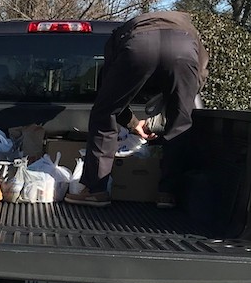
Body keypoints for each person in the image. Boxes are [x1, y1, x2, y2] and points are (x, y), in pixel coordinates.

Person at [65, 11, 209, 208]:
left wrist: (130, 122)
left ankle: (95, 190)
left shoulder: (126, 30)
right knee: (181, 125)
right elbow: (199, 76)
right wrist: (176, 104)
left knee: (104, 114)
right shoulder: (189, 29)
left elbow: (110, 96)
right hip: (183, 49)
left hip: (139, 45)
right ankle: (168, 193)